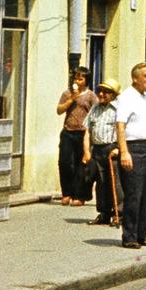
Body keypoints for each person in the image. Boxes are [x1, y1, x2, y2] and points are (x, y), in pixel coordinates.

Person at [113, 62, 146, 249]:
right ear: (135, 78)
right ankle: (129, 236)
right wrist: (124, 152)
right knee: (134, 193)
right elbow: (120, 125)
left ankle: (141, 234)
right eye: (145, 76)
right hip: (134, 149)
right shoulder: (126, 97)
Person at [82, 80, 121, 227]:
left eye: (106, 92)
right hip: (97, 149)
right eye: (100, 90)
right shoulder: (95, 108)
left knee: (115, 183)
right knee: (101, 183)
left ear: (114, 95)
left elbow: (124, 130)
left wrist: (119, 148)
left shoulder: (118, 109)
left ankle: (119, 213)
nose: (101, 94)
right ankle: (104, 213)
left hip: (112, 149)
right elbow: (87, 130)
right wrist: (86, 151)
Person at [56, 67, 96, 206]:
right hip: (68, 131)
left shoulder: (90, 96)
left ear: (86, 81)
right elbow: (59, 110)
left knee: (81, 165)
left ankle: (79, 195)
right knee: (65, 162)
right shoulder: (68, 93)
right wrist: (71, 99)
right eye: (75, 78)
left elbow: (95, 113)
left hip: (82, 133)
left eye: (80, 79)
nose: (77, 81)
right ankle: (66, 193)